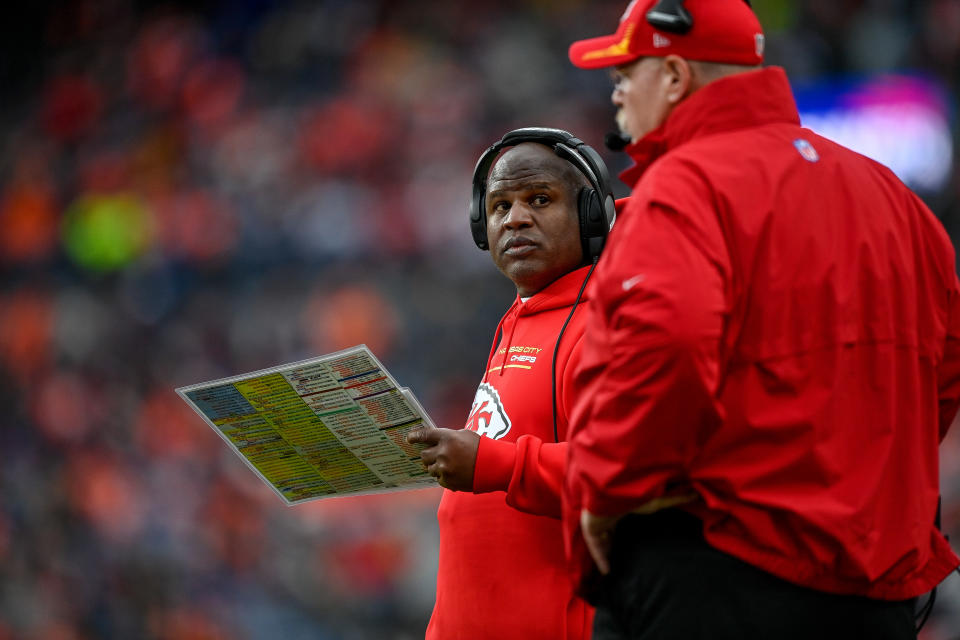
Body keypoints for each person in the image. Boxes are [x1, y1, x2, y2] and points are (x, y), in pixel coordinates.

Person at [561, 1, 960, 639]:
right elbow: (941, 373)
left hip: (717, 564)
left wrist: (607, 491)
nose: (615, 99)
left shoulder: (683, 185)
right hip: (873, 587)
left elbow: (668, 347)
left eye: (621, 77)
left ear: (671, 76)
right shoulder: (894, 195)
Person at [406, 127, 621, 640]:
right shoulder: (522, 317)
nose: (515, 218)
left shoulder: (608, 324)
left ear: (593, 214)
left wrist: (489, 462)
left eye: (539, 199)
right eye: (499, 206)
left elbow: (616, 473)